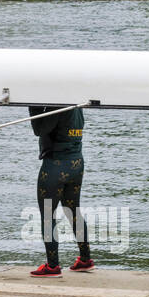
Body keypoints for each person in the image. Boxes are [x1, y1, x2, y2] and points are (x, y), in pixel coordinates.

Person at [28, 105, 93, 276]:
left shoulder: (57, 105)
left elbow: (39, 129)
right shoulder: (77, 104)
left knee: (48, 216)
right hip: (76, 163)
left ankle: (52, 266)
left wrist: (33, 106)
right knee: (73, 212)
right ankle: (85, 260)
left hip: (56, 165)